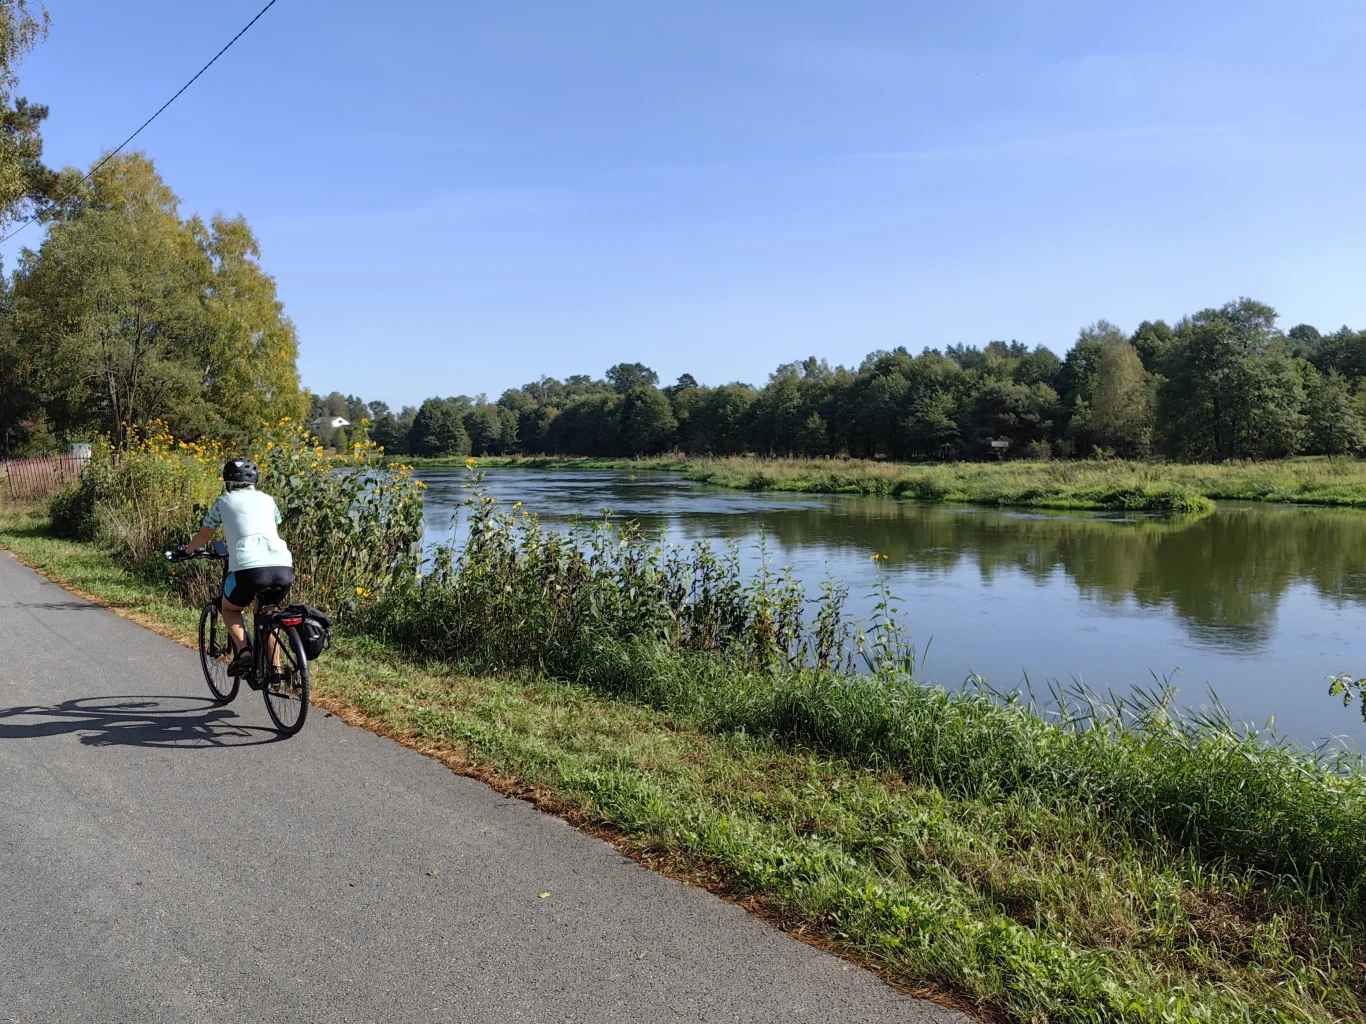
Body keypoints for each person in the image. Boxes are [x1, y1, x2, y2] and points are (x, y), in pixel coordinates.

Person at [181, 457, 294, 676]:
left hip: (249, 567)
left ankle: (244, 653)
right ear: (255, 481)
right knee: (268, 613)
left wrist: (187, 550)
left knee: (230, 608)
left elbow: (205, 535)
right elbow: (274, 524)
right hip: (283, 565)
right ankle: (276, 670)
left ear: (228, 482)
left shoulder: (223, 502)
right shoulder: (268, 500)